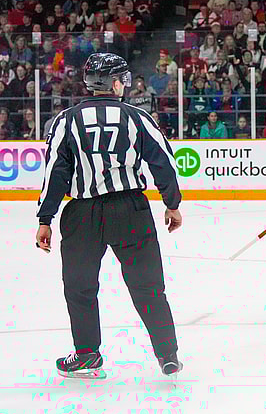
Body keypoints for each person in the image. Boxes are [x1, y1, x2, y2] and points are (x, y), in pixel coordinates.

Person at [35, 53, 183, 379]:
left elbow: (55, 172)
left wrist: (45, 219)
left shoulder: (66, 120)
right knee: (148, 286)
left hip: (82, 214)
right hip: (131, 211)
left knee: (80, 287)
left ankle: (87, 354)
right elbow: (164, 162)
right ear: (115, 83)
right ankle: (167, 354)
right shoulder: (137, 117)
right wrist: (172, 203)